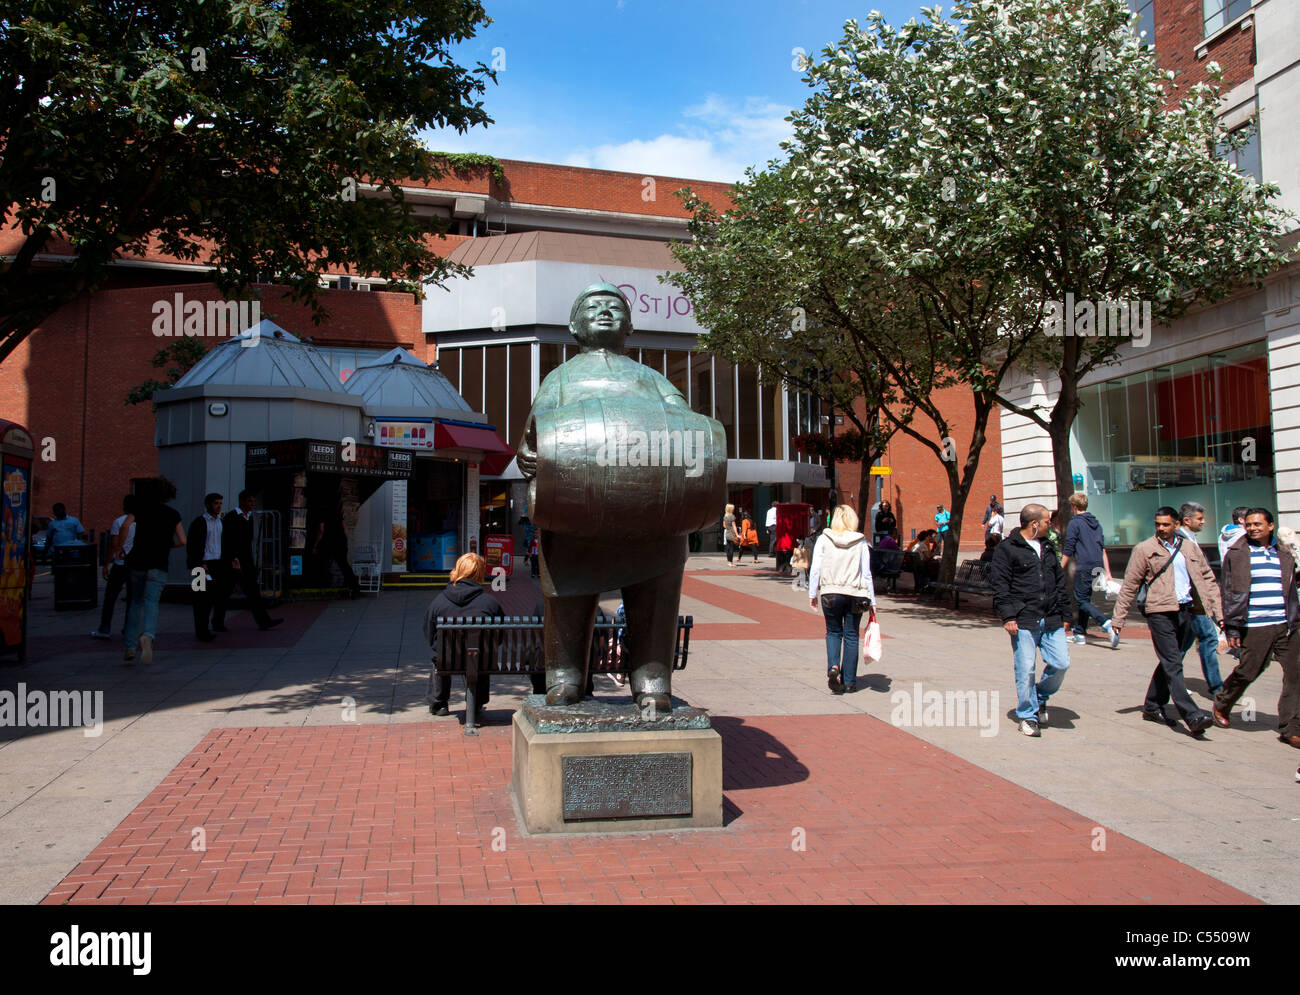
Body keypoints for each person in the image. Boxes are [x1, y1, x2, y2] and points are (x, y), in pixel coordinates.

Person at [1111, 507, 1223, 737]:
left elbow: (1208, 580)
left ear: (1177, 525)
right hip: (1159, 612)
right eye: (1157, 524)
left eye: (1166, 525)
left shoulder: (1190, 548)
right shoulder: (1145, 549)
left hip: (1186, 611)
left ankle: (1152, 706)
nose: (1161, 529)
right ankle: (1191, 715)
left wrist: (1219, 615)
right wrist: (1118, 618)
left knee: (1170, 660)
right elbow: (1130, 585)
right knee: (1173, 662)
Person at [1211, 508, 1300, 747]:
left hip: (1286, 623)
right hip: (1254, 624)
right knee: (1249, 671)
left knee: (1296, 674)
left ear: (1270, 526)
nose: (1252, 528)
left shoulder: (1285, 551)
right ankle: (1223, 701)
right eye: (1249, 524)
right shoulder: (1237, 553)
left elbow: (1292, 581)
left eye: (1258, 524)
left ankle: (1290, 727)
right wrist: (1231, 628)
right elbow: (1229, 593)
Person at [988, 504, 1072, 737]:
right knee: (1026, 669)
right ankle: (1028, 715)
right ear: (1034, 524)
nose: (1050, 525)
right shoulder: (1007, 549)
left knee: (1061, 663)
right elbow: (1000, 584)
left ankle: (1039, 696)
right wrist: (1008, 616)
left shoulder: (1047, 547)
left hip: (1051, 617)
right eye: (1047, 521)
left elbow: (1058, 583)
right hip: (1024, 618)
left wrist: (1066, 614)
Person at [424, 553, 503, 722]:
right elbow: (499, 636)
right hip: (481, 660)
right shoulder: (489, 602)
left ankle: (439, 703)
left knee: (439, 657)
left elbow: (429, 634)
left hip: (447, 660)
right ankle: (476, 702)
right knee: (481, 654)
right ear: (480, 573)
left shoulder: (439, 601)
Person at [809, 505, 875, 694]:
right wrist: (873, 601)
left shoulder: (824, 538)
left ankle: (834, 666)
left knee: (833, 632)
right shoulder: (861, 541)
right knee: (852, 635)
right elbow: (867, 572)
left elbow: (816, 568)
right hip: (856, 593)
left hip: (831, 592)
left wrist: (812, 593)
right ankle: (849, 682)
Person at [123, 477, 186, 665]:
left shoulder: (139, 510)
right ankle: (148, 636)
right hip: (159, 563)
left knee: (135, 603)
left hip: (137, 561)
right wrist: (168, 545)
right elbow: (183, 540)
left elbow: (126, 526)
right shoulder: (172, 514)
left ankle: (130, 646)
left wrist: (120, 548)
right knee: (152, 602)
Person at [1059, 492, 1118, 648]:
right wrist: (1108, 571)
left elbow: (1069, 548)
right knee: (1085, 599)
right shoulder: (1096, 524)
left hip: (1084, 566)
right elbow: (1102, 548)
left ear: (1074, 506)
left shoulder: (1075, 523)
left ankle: (1105, 623)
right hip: (1096, 565)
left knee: (1081, 600)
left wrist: (1060, 567)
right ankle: (1079, 634)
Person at [1176, 501, 1222, 694]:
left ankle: (1170, 681)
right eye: (1200, 519)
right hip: (1193, 602)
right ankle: (1217, 688)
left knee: (1184, 645)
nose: (1203, 522)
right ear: (1187, 520)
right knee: (1208, 638)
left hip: (1195, 602)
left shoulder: (1189, 538)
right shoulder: (1181, 540)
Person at [221, 490, 283, 631]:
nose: (252, 504)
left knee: (253, 592)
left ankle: (264, 621)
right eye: (250, 501)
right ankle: (217, 621)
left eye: (253, 501)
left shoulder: (248, 517)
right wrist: (233, 559)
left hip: (246, 560)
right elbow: (227, 540)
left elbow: (248, 543)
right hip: (233, 561)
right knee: (224, 593)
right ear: (242, 501)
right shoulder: (232, 517)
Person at [92, 495, 135, 639]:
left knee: (110, 596)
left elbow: (114, 545)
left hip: (120, 564)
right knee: (132, 598)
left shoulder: (119, 521)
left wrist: (106, 564)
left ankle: (105, 628)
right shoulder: (141, 522)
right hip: (135, 565)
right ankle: (128, 628)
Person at [186, 493, 227, 642]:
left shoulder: (220, 522)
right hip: (201, 565)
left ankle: (210, 626)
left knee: (213, 597)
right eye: (216, 503)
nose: (219, 506)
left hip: (216, 564)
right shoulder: (200, 522)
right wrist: (198, 563)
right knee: (200, 599)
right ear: (208, 505)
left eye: (220, 503)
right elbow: (192, 545)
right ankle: (201, 630)